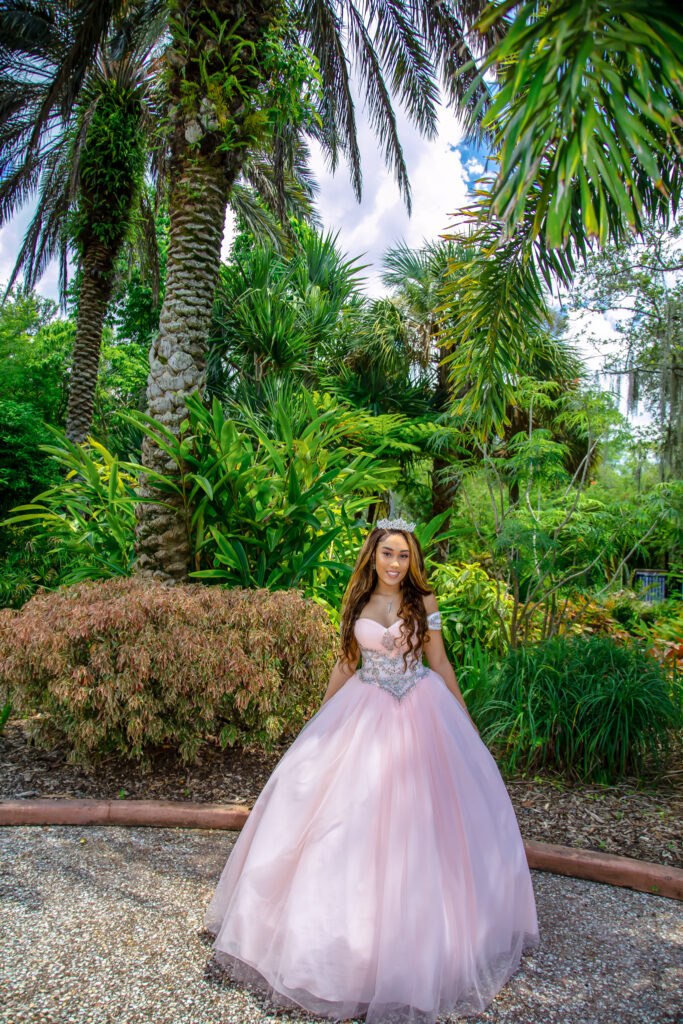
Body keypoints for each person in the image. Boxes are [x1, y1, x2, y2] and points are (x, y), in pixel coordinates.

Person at [204, 518, 539, 1024]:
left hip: (421, 710)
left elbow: (440, 662)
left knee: (421, 826)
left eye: (403, 555)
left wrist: (465, 717)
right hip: (363, 708)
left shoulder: (424, 603)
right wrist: (320, 718)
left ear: (412, 560)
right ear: (373, 555)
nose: (395, 563)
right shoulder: (357, 600)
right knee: (343, 821)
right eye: (387, 553)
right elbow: (346, 663)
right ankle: (341, 947)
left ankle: (424, 948)